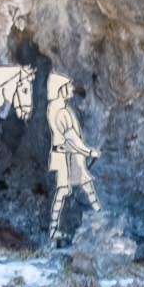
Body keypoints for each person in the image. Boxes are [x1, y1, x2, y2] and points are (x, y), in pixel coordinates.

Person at [46, 80, 101, 247]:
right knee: (64, 189)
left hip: (69, 154)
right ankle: (53, 229)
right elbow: (72, 138)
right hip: (65, 155)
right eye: (68, 87)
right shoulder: (61, 112)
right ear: (60, 90)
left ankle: (100, 214)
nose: (71, 90)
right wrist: (89, 151)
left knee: (84, 182)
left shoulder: (59, 109)